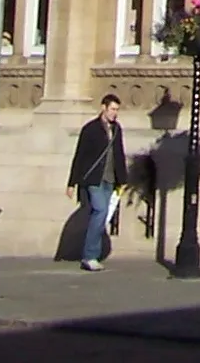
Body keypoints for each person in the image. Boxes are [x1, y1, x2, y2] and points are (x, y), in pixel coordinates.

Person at [67, 93, 127, 270]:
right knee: (100, 211)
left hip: (110, 178)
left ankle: (92, 253)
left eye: (117, 110)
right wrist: (72, 182)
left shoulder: (117, 129)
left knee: (102, 215)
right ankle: (90, 255)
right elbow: (80, 156)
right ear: (103, 108)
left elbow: (119, 154)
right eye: (113, 109)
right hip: (93, 178)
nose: (115, 113)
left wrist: (122, 179)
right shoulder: (90, 129)